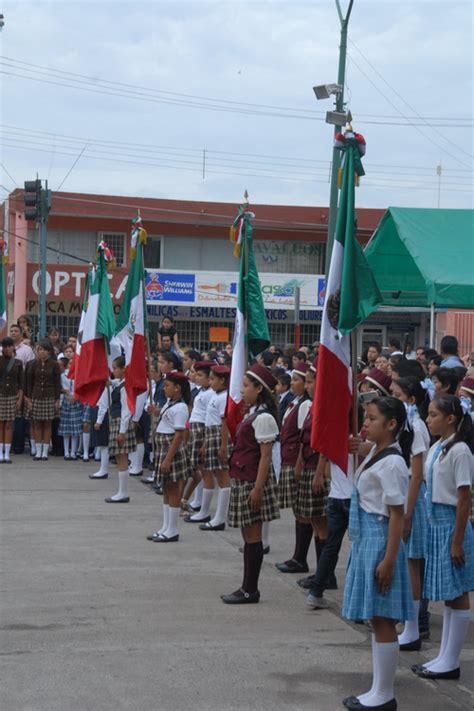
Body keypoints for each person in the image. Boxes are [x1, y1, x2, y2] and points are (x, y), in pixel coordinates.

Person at [342, 397, 414, 711]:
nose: (365, 423)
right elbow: (359, 450)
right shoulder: (376, 452)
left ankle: (384, 694)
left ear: (392, 424)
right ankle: (376, 689)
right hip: (366, 540)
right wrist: (355, 446)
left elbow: (397, 514)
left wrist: (388, 559)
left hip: (380, 539)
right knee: (376, 617)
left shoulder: (393, 462)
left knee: (384, 619)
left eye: (371, 419)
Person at [411, 395, 474, 681]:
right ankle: (444, 657)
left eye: (434, 414)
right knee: (448, 595)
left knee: (458, 592)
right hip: (436, 524)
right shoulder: (439, 446)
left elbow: (464, 498)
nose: (428, 419)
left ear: (451, 418)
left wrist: (458, 539)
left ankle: (451, 661)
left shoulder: (460, 450)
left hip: (452, 525)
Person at [221, 363, 280, 604]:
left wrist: (257, 488)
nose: (242, 390)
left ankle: (250, 589)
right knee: (248, 536)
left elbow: (265, 457)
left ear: (259, 388)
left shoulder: (264, 418)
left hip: (253, 481)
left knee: (253, 535)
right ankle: (246, 586)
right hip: (244, 478)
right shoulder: (253, 413)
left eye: (246, 386)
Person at [391, 377, 431, 651]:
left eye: (397, 394)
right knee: (406, 563)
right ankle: (409, 625)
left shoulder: (416, 427)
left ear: (412, 400)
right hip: (405, 499)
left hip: (412, 501)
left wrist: (406, 514)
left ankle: (413, 628)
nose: (393, 399)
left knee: (412, 563)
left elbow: (417, 476)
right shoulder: (405, 426)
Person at [275, 363, 312, 572]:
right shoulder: (294, 401)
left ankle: (301, 557)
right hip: (288, 457)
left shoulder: (305, 405)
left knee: (302, 510)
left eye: (300, 380)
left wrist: (298, 463)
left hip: (295, 459)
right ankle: (297, 556)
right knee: (298, 510)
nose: (294, 384)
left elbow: (301, 437)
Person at [147, 371, 191, 542]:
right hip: (163, 448)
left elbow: (179, 435)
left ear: (177, 388)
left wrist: (168, 459)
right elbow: (165, 416)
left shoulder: (180, 407)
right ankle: (165, 527)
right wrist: (156, 411)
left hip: (170, 450)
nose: (164, 388)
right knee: (166, 488)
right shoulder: (170, 403)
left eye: (167, 386)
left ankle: (172, 529)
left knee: (172, 489)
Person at [185, 364, 230, 527]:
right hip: (211, 435)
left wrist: (224, 446)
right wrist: (205, 443)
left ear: (222, 380)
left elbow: (224, 423)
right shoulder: (216, 395)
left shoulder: (224, 397)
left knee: (222, 477)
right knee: (209, 473)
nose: (210, 382)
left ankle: (219, 518)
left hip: (218, 435)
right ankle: (205, 512)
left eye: (212, 379)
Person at [180, 361, 213, 513]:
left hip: (201, 431)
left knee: (203, 471)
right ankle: (189, 500)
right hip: (194, 429)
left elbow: (209, 419)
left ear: (209, 378)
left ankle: (203, 509)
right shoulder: (201, 391)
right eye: (196, 373)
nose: (196, 377)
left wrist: (205, 442)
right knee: (195, 469)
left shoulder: (210, 394)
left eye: (200, 375)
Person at [104, 357, 137, 503]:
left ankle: (123, 492)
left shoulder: (125, 387)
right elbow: (115, 382)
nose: (113, 370)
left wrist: (122, 431)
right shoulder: (121, 383)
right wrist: (109, 382)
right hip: (117, 422)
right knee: (119, 458)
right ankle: (121, 491)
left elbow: (126, 409)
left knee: (122, 457)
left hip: (121, 423)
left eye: (115, 368)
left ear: (124, 369)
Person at [25, 340, 61, 461]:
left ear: (49, 351)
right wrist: (28, 399)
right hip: (35, 397)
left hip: (49, 396)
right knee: (36, 424)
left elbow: (57, 383)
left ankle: (45, 452)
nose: (41, 352)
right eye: (39, 349)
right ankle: (38, 451)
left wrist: (57, 399)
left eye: (44, 349)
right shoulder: (31, 364)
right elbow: (28, 384)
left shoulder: (54, 364)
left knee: (47, 424)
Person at [0, 337, 23, 463]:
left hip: (12, 395)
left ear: (13, 347)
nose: (7, 348)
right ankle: (0, 453)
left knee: (9, 424)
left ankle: (7, 453)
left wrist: (19, 399)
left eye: (9, 346)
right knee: (0, 424)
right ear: (2, 348)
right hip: (0, 394)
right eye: (5, 346)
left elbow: (21, 384)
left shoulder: (18, 363)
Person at [58, 357, 84, 460]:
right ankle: (66, 452)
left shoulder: (79, 376)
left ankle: (73, 452)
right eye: (70, 364)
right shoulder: (63, 376)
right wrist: (64, 391)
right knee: (66, 428)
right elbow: (59, 387)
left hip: (76, 402)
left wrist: (76, 396)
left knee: (75, 429)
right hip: (66, 401)